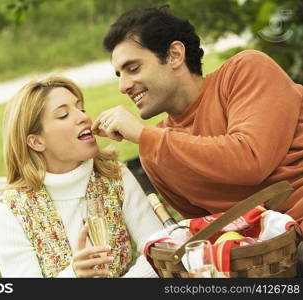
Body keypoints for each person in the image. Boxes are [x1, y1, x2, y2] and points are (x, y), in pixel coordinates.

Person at [91, 6, 303, 273]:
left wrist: (145, 136)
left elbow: (250, 159)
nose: (123, 86)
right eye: (119, 75)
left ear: (175, 55)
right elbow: (204, 227)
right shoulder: (153, 152)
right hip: (254, 264)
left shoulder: (245, 71)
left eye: (132, 68)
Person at [0, 76, 163, 278]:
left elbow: (157, 248)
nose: (83, 117)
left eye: (81, 109)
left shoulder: (114, 176)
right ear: (36, 142)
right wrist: (73, 275)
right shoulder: (10, 213)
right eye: (63, 115)